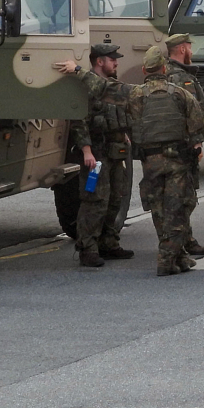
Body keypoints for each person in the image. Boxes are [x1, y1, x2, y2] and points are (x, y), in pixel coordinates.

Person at [129, 46, 204, 276]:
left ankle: (180, 257)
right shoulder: (180, 93)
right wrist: (196, 145)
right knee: (177, 210)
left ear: (144, 70)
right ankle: (166, 260)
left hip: (150, 162)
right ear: (164, 69)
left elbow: (132, 123)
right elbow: (197, 123)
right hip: (176, 160)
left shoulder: (136, 95)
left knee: (159, 210)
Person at [67, 44, 135, 267]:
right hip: (96, 154)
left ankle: (109, 243)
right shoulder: (87, 88)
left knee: (115, 199)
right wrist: (86, 150)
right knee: (94, 201)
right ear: (99, 62)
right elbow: (79, 121)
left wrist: (124, 134)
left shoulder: (111, 86)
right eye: (112, 59)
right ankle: (87, 248)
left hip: (116, 152)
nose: (116, 63)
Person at [165, 32, 204, 256]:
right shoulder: (182, 78)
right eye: (190, 48)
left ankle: (183, 238)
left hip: (167, 144)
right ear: (182, 49)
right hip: (183, 145)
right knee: (185, 195)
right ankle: (182, 241)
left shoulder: (164, 73)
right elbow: (191, 112)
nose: (192, 52)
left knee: (175, 195)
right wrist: (196, 143)